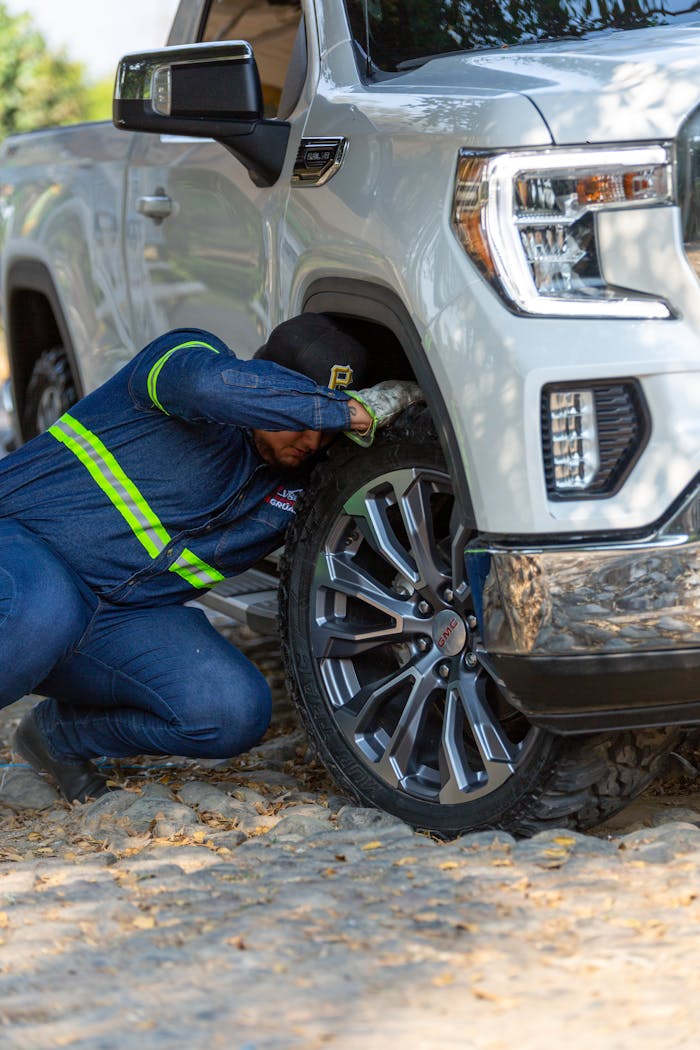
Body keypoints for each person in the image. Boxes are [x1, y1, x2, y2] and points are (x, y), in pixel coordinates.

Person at [0, 313, 419, 803]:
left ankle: (54, 739)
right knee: (46, 607)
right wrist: (343, 413)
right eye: (298, 419)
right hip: (20, 553)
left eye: (324, 434)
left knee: (230, 710)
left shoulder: (298, 481)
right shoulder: (177, 366)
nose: (311, 440)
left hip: (109, 620)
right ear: (260, 378)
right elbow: (207, 383)